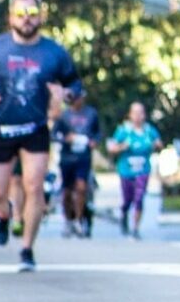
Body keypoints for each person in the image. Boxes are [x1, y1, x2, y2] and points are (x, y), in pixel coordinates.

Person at [0, 0, 84, 272]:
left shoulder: (54, 52)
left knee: (33, 186)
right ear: (10, 17)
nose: (26, 20)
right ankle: (4, 214)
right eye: (20, 14)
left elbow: (76, 86)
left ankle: (27, 249)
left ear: (41, 16)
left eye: (32, 14)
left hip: (34, 128)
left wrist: (64, 94)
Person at [108, 103, 161, 240]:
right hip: (126, 170)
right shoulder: (123, 131)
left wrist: (157, 145)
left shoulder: (149, 131)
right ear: (130, 114)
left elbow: (159, 144)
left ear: (144, 115)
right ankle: (124, 214)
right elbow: (112, 148)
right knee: (127, 199)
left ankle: (135, 228)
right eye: (135, 113)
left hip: (143, 170)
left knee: (139, 198)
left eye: (140, 113)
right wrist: (122, 147)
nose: (138, 116)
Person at [55, 96, 101, 239]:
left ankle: (79, 220)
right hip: (67, 158)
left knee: (81, 188)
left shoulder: (91, 113)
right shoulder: (63, 115)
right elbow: (54, 134)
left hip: (84, 157)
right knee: (66, 192)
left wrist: (95, 141)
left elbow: (98, 132)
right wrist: (65, 139)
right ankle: (68, 220)